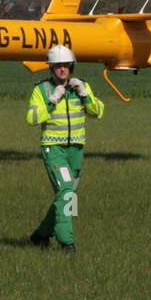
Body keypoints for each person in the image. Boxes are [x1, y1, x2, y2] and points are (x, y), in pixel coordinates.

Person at [26, 45, 103, 252]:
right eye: (58, 65)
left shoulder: (81, 86)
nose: (62, 69)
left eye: (66, 65)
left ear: (71, 66)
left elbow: (97, 113)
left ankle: (40, 235)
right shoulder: (41, 90)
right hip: (54, 149)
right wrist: (52, 101)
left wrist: (85, 95)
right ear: (51, 67)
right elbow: (32, 118)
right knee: (66, 192)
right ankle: (66, 242)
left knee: (67, 195)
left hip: (76, 149)